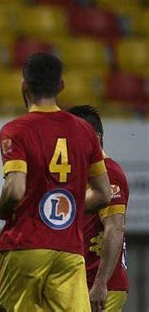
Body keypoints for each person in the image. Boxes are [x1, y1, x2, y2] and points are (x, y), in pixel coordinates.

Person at [0, 53, 112, 311]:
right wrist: (66, 208)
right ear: (61, 86)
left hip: (25, 247)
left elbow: (14, 190)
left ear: (24, 86)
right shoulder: (86, 132)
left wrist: (1, 207)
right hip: (69, 250)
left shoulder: (16, 130)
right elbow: (103, 194)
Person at [68, 105, 129, 312]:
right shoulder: (86, 175)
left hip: (101, 288)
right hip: (83, 284)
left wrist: (101, 283)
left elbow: (115, 228)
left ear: (92, 138)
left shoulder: (109, 173)